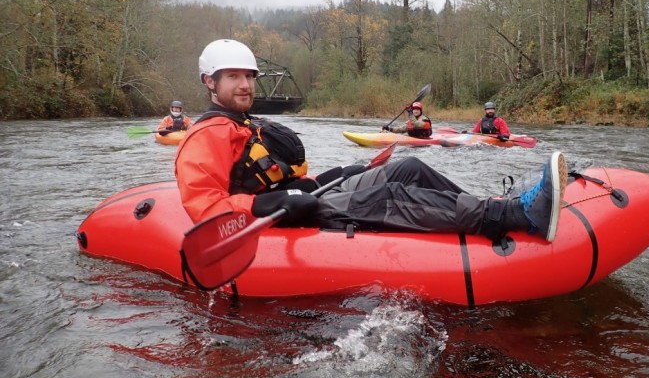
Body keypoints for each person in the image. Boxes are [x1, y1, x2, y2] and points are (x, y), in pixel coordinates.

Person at [174, 39, 568, 244]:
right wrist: (262, 205)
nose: (245, 84)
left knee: (408, 167)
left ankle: (489, 211)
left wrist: (330, 175)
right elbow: (205, 210)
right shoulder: (205, 136)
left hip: (301, 201)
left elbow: (280, 179)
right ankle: (514, 216)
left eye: (249, 76)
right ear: (210, 81)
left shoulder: (249, 124)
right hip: (273, 222)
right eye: (233, 77)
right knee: (387, 195)